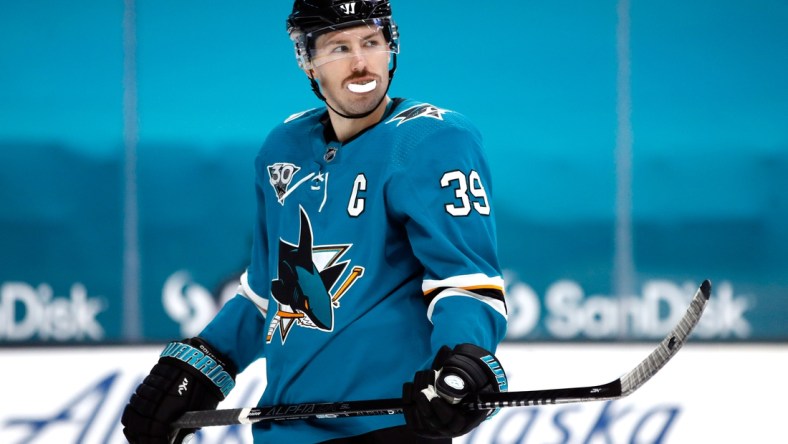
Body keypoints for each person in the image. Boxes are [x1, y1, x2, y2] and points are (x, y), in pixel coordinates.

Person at [121, 1, 508, 442]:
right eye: (339, 47)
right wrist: (202, 364)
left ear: (391, 47)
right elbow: (268, 291)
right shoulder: (283, 149)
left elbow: (466, 281)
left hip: (390, 428)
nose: (361, 62)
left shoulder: (433, 140)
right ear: (308, 62)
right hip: (284, 430)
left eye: (371, 43)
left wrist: (463, 359)